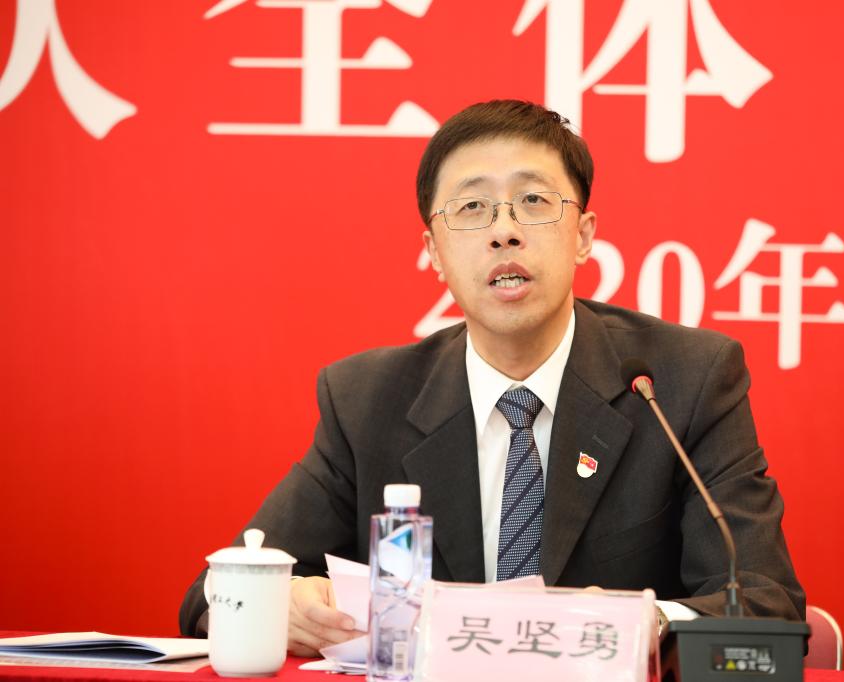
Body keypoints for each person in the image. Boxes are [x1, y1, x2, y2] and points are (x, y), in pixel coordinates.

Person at [179, 99, 804, 656]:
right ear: (434, 251)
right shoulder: (366, 400)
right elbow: (209, 598)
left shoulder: (681, 382)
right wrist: (278, 605)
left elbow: (763, 604)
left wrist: (648, 622)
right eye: (472, 207)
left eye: (534, 201)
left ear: (583, 236)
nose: (504, 231)